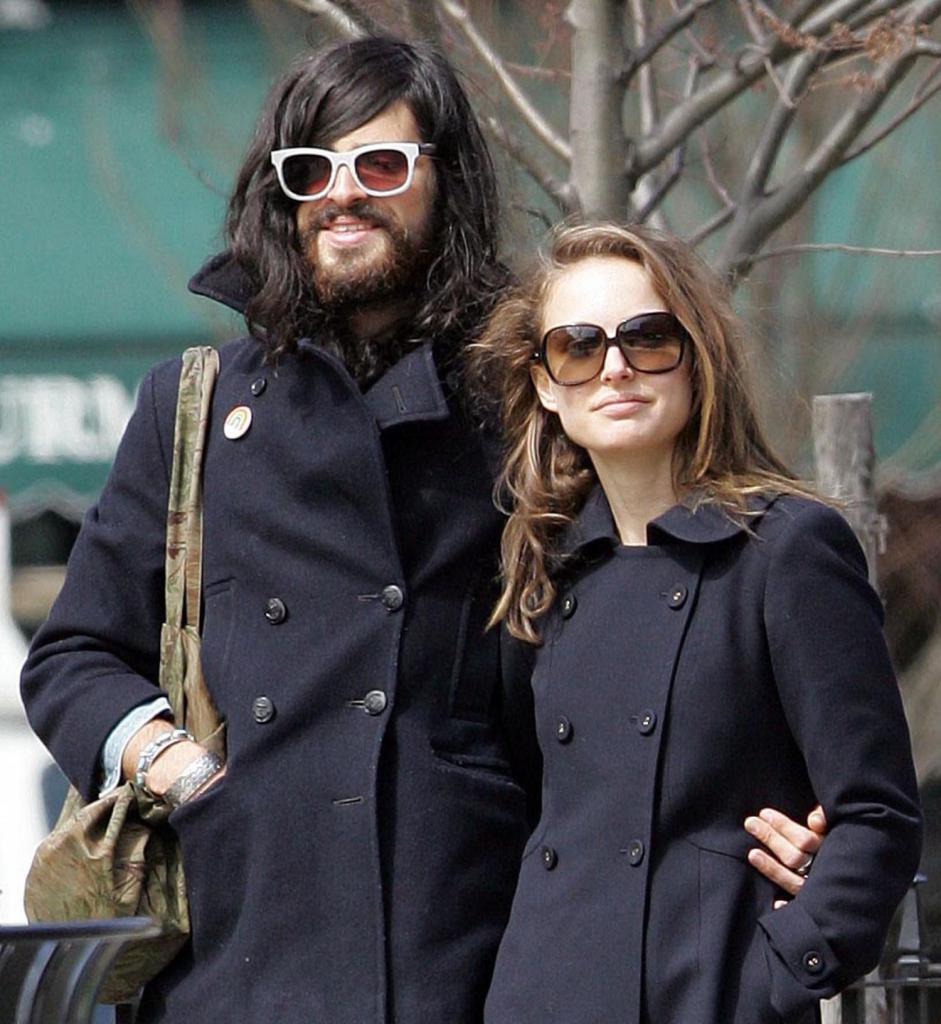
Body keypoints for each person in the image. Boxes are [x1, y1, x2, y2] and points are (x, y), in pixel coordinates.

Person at [21, 39, 828, 1024]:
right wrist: (184, 773)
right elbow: (73, 655)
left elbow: (647, 624)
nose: (342, 196)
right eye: (311, 171)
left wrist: (759, 805)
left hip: (476, 952)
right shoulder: (192, 407)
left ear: (443, 180)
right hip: (238, 952)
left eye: (380, 166)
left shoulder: (525, 401)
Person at [472, 221, 922, 1024]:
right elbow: (528, 805)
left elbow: (876, 816)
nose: (613, 367)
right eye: (577, 346)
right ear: (543, 382)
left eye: (646, 337)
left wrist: (776, 978)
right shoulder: (540, 574)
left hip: (701, 993)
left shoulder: (784, 549)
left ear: (694, 355)